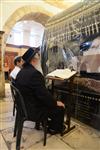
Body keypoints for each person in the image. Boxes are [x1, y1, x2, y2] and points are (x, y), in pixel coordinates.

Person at [15, 47, 66, 134]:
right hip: (33, 111)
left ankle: (49, 123)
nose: (39, 59)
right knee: (59, 108)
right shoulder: (35, 74)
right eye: (38, 57)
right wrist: (55, 102)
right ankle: (54, 128)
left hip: (23, 107)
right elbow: (43, 95)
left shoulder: (21, 72)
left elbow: (39, 93)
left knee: (49, 101)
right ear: (33, 60)